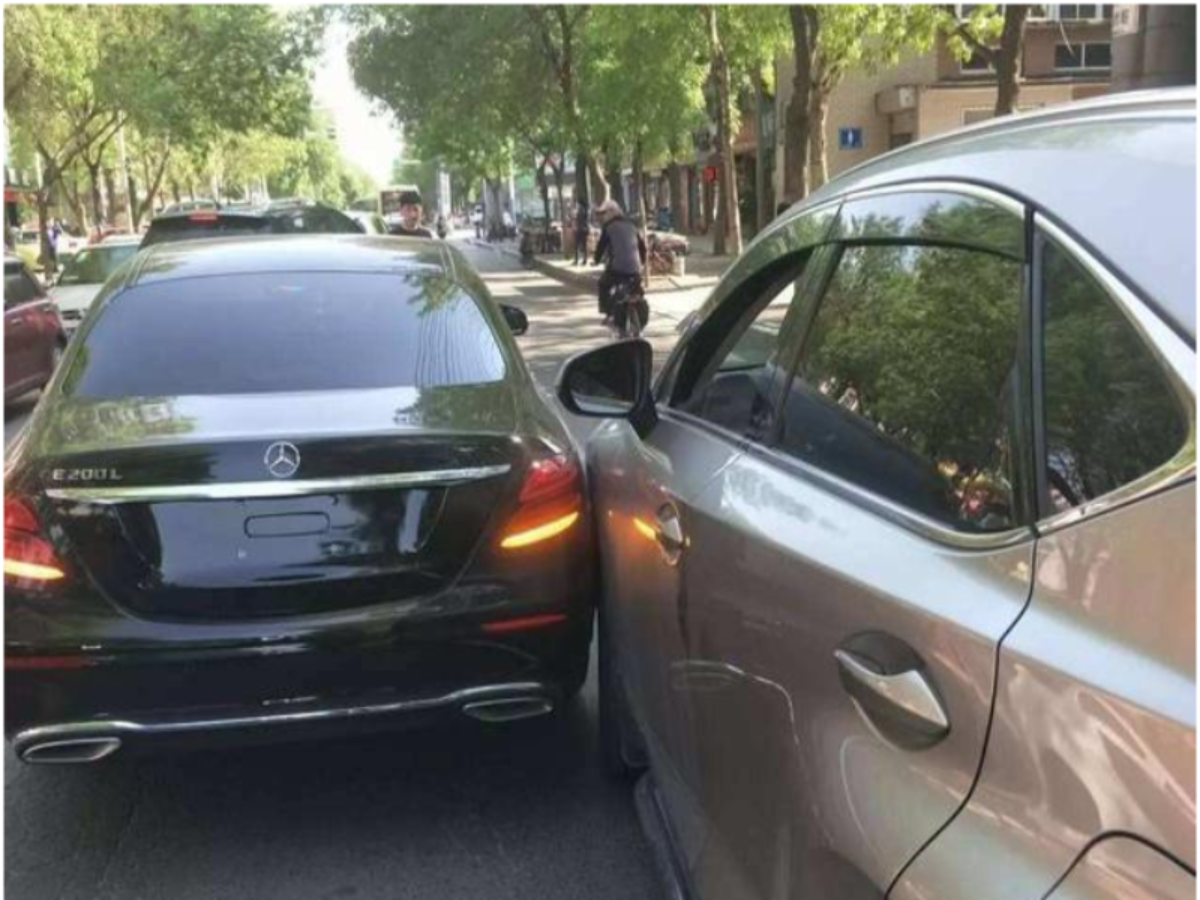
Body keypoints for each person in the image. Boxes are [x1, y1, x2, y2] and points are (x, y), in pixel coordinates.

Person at [593, 199, 646, 326]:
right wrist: (642, 263)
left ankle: (608, 313)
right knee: (636, 288)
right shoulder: (632, 225)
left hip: (617, 268)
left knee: (603, 284)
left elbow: (601, 247)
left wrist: (596, 260)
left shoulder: (608, 227)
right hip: (635, 269)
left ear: (612, 212)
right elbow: (642, 247)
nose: (603, 216)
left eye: (604, 213)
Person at [572, 200, 590, 266]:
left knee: (576, 245)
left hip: (580, 229)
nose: (577, 205)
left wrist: (575, 216)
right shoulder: (586, 211)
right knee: (584, 246)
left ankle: (576, 260)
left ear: (580, 205)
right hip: (585, 229)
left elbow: (579, 220)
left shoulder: (580, 211)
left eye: (578, 204)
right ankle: (585, 260)